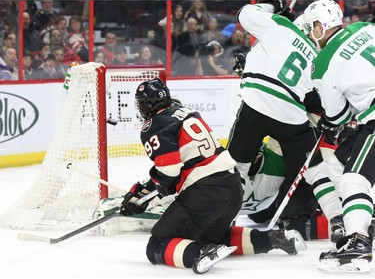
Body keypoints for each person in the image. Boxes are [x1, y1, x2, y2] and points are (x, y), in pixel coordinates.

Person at [118, 78, 306, 274]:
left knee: (156, 245)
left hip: (204, 192)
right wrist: (142, 193)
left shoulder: (155, 123)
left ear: (147, 105)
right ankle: (273, 239)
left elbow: (169, 172)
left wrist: (141, 195)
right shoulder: (186, 112)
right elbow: (172, 173)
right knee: (214, 235)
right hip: (232, 188)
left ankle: (202, 252)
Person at [227, 0, 344, 242]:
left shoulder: (279, 26)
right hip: (290, 113)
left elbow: (244, 14)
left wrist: (271, 6)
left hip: (256, 105)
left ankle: (224, 219)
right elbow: (320, 100)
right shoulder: (316, 56)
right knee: (315, 168)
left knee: (236, 165)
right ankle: (338, 219)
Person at [303, 0, 375, 272]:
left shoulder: (322, 62)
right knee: (351, 154)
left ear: (321, 26)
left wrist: (328, 121)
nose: (312, 34)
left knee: (354, 178)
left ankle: (357, 240)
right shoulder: (365, 27)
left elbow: (337, 116)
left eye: (312, 28)